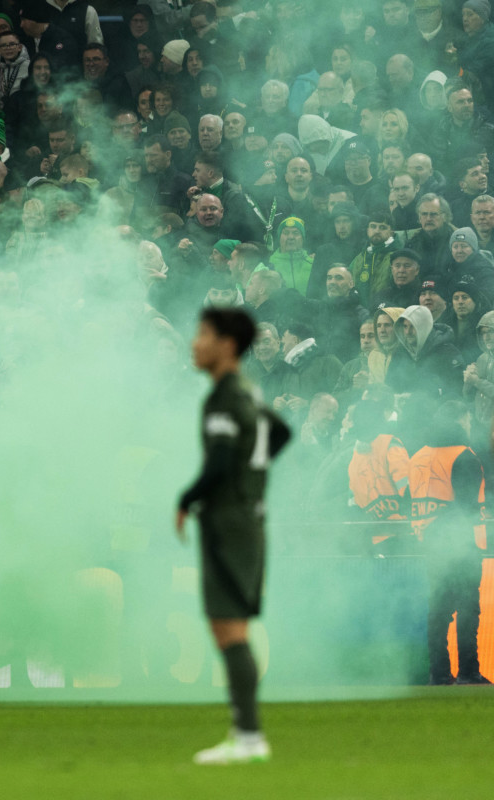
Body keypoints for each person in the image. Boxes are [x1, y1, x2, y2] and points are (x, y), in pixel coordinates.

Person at [177, 307, 290, 765]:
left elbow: (219, 462)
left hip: (228, 522)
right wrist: (254, 476)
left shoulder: (225, 397)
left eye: (202, 334)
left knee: (228, 629)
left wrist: (186, 499)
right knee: (231, 627)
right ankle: (245, 733)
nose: (194, 343)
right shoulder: (248, 392)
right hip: (248, 517)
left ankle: (247, 736)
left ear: (226, 345)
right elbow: (280, 432)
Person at [407, 402, 490, 685]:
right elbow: (466, 507)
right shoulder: (463, 456)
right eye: (466, 418)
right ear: (458, 419)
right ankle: (469, 671)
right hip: (460, 544)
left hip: (428, 542)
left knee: (439, 610)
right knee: (468, 608)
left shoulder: (418, 456)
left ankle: (439, 674)